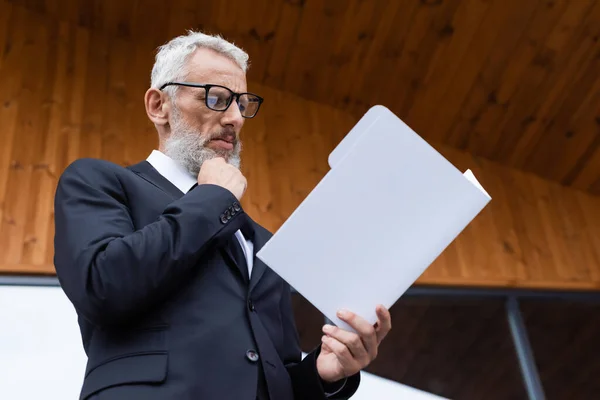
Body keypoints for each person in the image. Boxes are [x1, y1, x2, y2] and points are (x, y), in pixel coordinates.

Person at [53, 31, 392, 400]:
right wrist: (212, 198)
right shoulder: (99, 182)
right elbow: (103, 285)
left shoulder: (261, 242)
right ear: (158, 105)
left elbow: (274, 373)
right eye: (216, 98)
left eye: (243, 104)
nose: (235, 118)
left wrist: (325, 374)